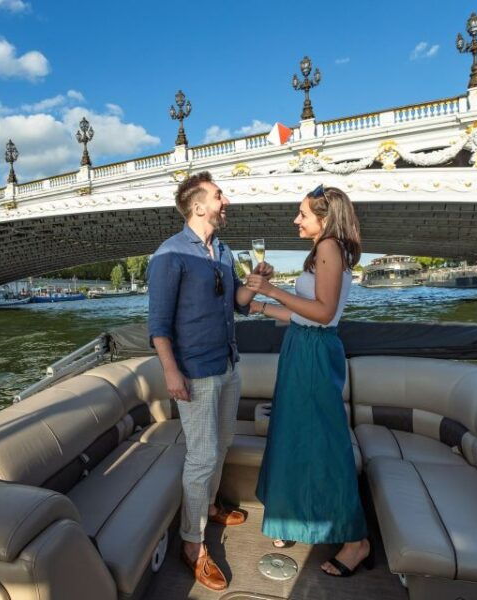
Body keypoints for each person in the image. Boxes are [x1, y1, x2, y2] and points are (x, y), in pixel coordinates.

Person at [147, 171, 273, 591]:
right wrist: (171, 372)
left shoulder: (221, 251)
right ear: (198, 206)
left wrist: (257, 283)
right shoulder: (169, 255)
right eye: (220, 196)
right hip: (195, 372)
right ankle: (192, 544)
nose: (226, 201)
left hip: (228, 366)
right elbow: (159, 325)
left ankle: (212, 506)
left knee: (221, 445)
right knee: (201, 457)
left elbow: (238, 302)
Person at [246, 184, 372, 577]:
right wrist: (261, 305)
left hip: (314, 353)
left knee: (323, 442)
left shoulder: (329, 247)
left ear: (325, 217)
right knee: (295, 435)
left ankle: (356, 541)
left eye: (302, 214)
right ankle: (292, 519)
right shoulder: (322, 250)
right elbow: (304, 316)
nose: (296, 220)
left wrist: (271, 290)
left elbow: (322, 313)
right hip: (302, 347)